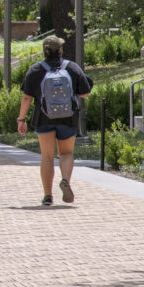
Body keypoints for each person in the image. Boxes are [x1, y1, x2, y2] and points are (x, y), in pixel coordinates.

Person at [16, 36, 92, 206]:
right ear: (60, 50)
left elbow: (27, 98)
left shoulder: (35, 70)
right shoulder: (72, 67)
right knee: (66, 153)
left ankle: (48, 195)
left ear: (45, 51)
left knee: (47, 156)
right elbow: (85, 93)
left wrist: (21, 119)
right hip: (68, 118)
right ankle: (65, 179)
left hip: (44, 118)